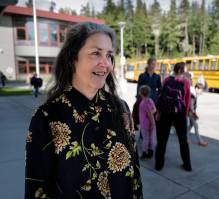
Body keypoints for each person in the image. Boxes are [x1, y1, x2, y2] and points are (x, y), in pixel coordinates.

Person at [25, 22, 143, 199]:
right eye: (96, 53)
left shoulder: (121, 108)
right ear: (73, 58)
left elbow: (134, 174)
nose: (106, 63)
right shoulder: (46, 117)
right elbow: (37, 189)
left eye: (109, 55)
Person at [155, 62, 192, 172]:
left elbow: (161, 96)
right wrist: (184, 115)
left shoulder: (167, 80)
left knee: (162, 139)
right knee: (183, 140)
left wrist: (158, 112)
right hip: (179, 114)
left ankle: (159, 164)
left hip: (165, 112)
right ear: (183, 70)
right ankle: (187, 165)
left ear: (175, 70)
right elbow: (187, 100)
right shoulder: (186, 82)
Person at [138, 85, 156, 159]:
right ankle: (151, 151)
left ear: (141, 93)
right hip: (150, 124)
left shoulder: (143, 103)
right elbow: (154, 109)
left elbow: (150, 115)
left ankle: (145, 153)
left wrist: (152, 123)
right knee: (151, 138)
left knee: (145, 139)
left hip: (145, 125)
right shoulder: (150, 100)